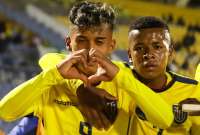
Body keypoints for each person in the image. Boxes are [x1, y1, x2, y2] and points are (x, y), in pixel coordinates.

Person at [0, 2, 173, 135]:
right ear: (68, 43)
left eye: (99, 42)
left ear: (111, 45)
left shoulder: (124, 79)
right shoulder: (53, 80)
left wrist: (122, 78)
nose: (90, 50)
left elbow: (166, 119)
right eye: (81, 40)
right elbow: (5, 112)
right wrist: (54, 76)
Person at [89, 16, 200, 135]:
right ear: (130, 55)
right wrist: (86, 86)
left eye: (157, 47)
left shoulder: (193, 90)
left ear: (170, 52)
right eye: (139, 48)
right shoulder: (114, 77)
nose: (148, 54)